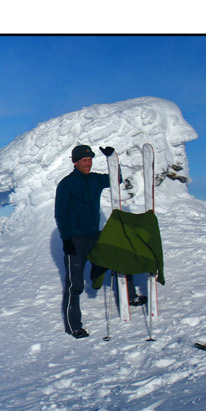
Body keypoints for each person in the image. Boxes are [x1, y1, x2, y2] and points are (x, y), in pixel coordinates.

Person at [55, 145, 142, 339]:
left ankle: (131, 297)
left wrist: (113, 159)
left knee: (121, 254)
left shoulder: (95, 179)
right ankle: (73, 326)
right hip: (75, 240)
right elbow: (60, 214)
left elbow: (115, 179)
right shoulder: (66, 184)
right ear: (75, 162)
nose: (88, 163)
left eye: (90, 160)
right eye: (84, 160)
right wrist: (66, 239)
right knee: (74, 285)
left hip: (94, 235)